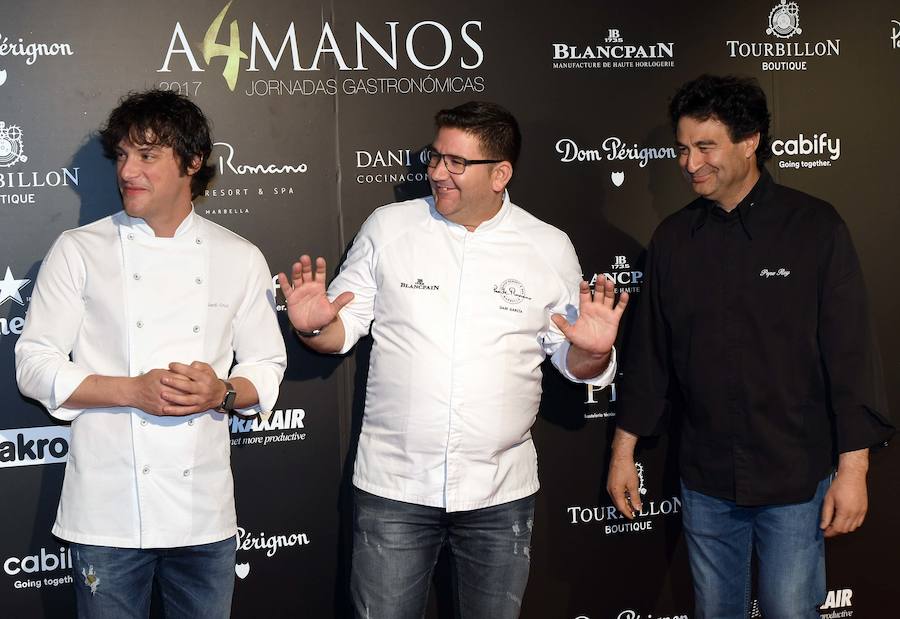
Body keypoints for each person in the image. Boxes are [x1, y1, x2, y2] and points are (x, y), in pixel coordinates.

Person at [278, 101, 627, 618]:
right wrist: (312, 324)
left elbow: (570, 361)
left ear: (501, 173)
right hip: (394, 488)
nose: (438, 172)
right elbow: (340, 332)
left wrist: (594, 354)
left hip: (500, 494)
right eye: (435, 157)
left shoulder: (547, 246)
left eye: (456, 163)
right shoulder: (388, 227)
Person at [607, 74, 894, 618]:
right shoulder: (672, 239)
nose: (690, 163)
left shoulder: (815, 227)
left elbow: (851, 357)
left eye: (705, 147)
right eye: (682, 149)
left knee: (790, 611)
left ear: (750, 141)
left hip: (795, 477)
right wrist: (624, 454)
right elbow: (650, 360)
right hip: (706, 479)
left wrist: (853, 472)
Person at [15, 89, 287, 618]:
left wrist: (223, 391)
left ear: (191, 162)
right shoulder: (79, 250)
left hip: (204, 515)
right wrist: (133, 391)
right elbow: (34, 362)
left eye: (146, 155)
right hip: (108, 513)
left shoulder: (240, 256)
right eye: (121, 155)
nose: (127, 170)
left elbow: (266, 366)